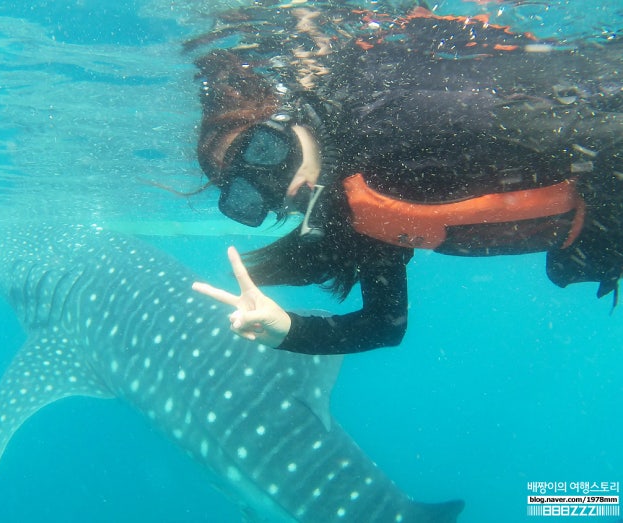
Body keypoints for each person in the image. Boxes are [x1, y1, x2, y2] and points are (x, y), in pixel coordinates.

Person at [186, 3, 623, 355]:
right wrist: (286, 330)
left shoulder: (388, 110)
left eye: (262, 151)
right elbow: (384, 326)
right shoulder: (352, 210)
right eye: (247, 195)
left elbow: (594, 130)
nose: (276, 182)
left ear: (288, 117)